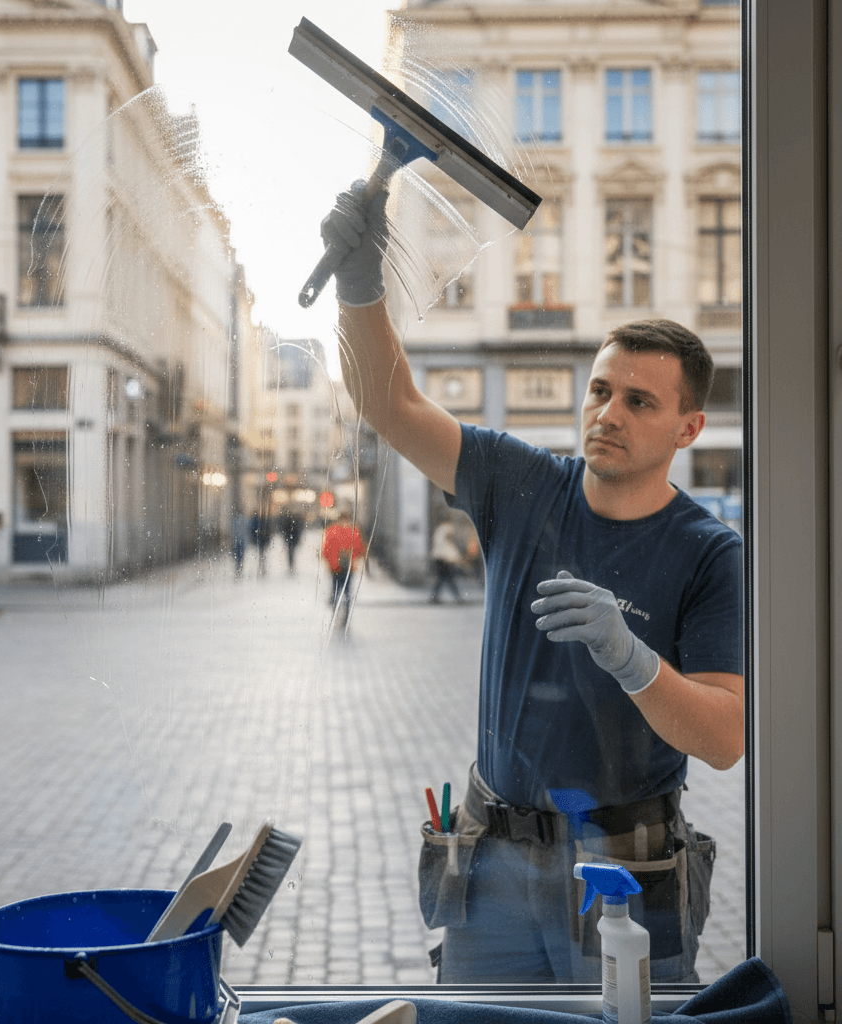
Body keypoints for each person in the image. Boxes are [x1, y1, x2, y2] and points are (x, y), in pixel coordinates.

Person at [318, 183, 744, 984]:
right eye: (600, 390)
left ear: (689, 429)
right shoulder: (522, 484)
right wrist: (357, 279)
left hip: (627, 868)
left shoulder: (710, 552)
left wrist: (634, 660)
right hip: (494, 858)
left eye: (639, 401)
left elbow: (724, 738)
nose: (607, 413)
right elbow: (389, 400)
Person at [321, 516, 366, 615]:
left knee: (335, 588)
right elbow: (360, 549)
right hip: (350, 566)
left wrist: (330, 561)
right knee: (347, 590)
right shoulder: (354, 531)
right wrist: (352, 556)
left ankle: (335, 609)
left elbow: (325, 550)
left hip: (335, 566)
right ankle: (346, 611)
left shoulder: (331, 530)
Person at [428, 517, 465, 604]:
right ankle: (457, 597)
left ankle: (435, 597)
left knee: (442, 579)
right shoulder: (446, 531)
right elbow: (447, 546)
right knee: (448, 578)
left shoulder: (440, 530)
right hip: (444, 559)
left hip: (440, 558)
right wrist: (454, 557)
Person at [279, 507, 304, 572]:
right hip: (292, 539)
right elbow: (297, 531)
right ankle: (291, 564)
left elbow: (285, 531)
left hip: (290, 539)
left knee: (290, 552)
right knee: (291, 552)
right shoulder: (294, 522)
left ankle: (291, 564)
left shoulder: (288, 522)